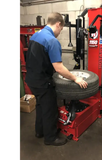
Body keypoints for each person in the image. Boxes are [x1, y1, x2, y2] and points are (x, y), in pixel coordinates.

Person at [25, 12, 88, 146]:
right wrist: (75, 78)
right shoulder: (52, 40)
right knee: (50, 108)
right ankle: (51, 138)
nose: (60, 32)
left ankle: (39, 131)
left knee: (40, 105)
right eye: (61, 29)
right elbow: (59, 68)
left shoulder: (36, 35)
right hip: (42, 81)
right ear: (58, 24)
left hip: (31, 79)